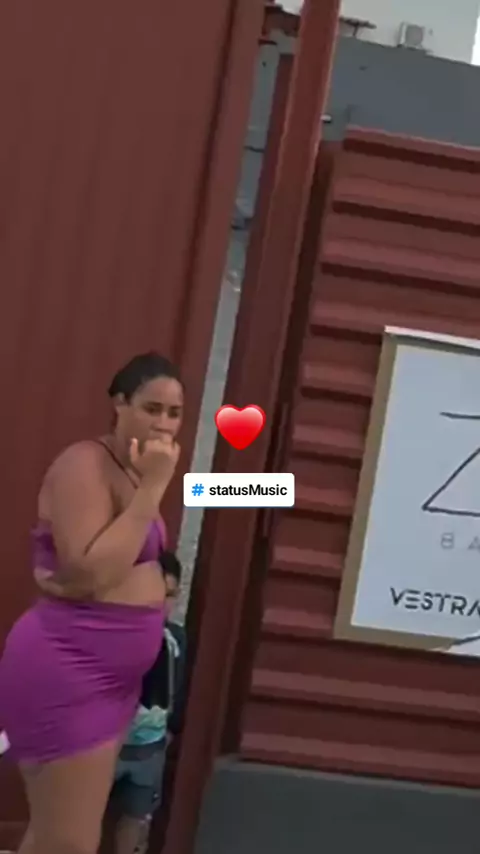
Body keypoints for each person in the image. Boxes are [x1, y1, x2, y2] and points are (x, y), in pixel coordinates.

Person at [0, 352, 183, 854]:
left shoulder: (136, 470)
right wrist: (154, 487)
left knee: (52, 838)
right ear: (119, 404)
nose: (164, 424)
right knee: (71, 845)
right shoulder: (84, 464)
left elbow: (125, 563)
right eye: (151, 408)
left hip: (114, 683)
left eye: (174, 413)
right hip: (70, 669)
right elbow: (91, 574)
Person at [109, 550, 186, 854]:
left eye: (171, 595)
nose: (162, 603)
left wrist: (172, 728)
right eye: (158, 593)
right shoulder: (118, 634)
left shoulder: (176, 638)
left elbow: (178, 683)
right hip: (108, 744)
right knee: (82, 814)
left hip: (150, 746)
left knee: (135, 816)